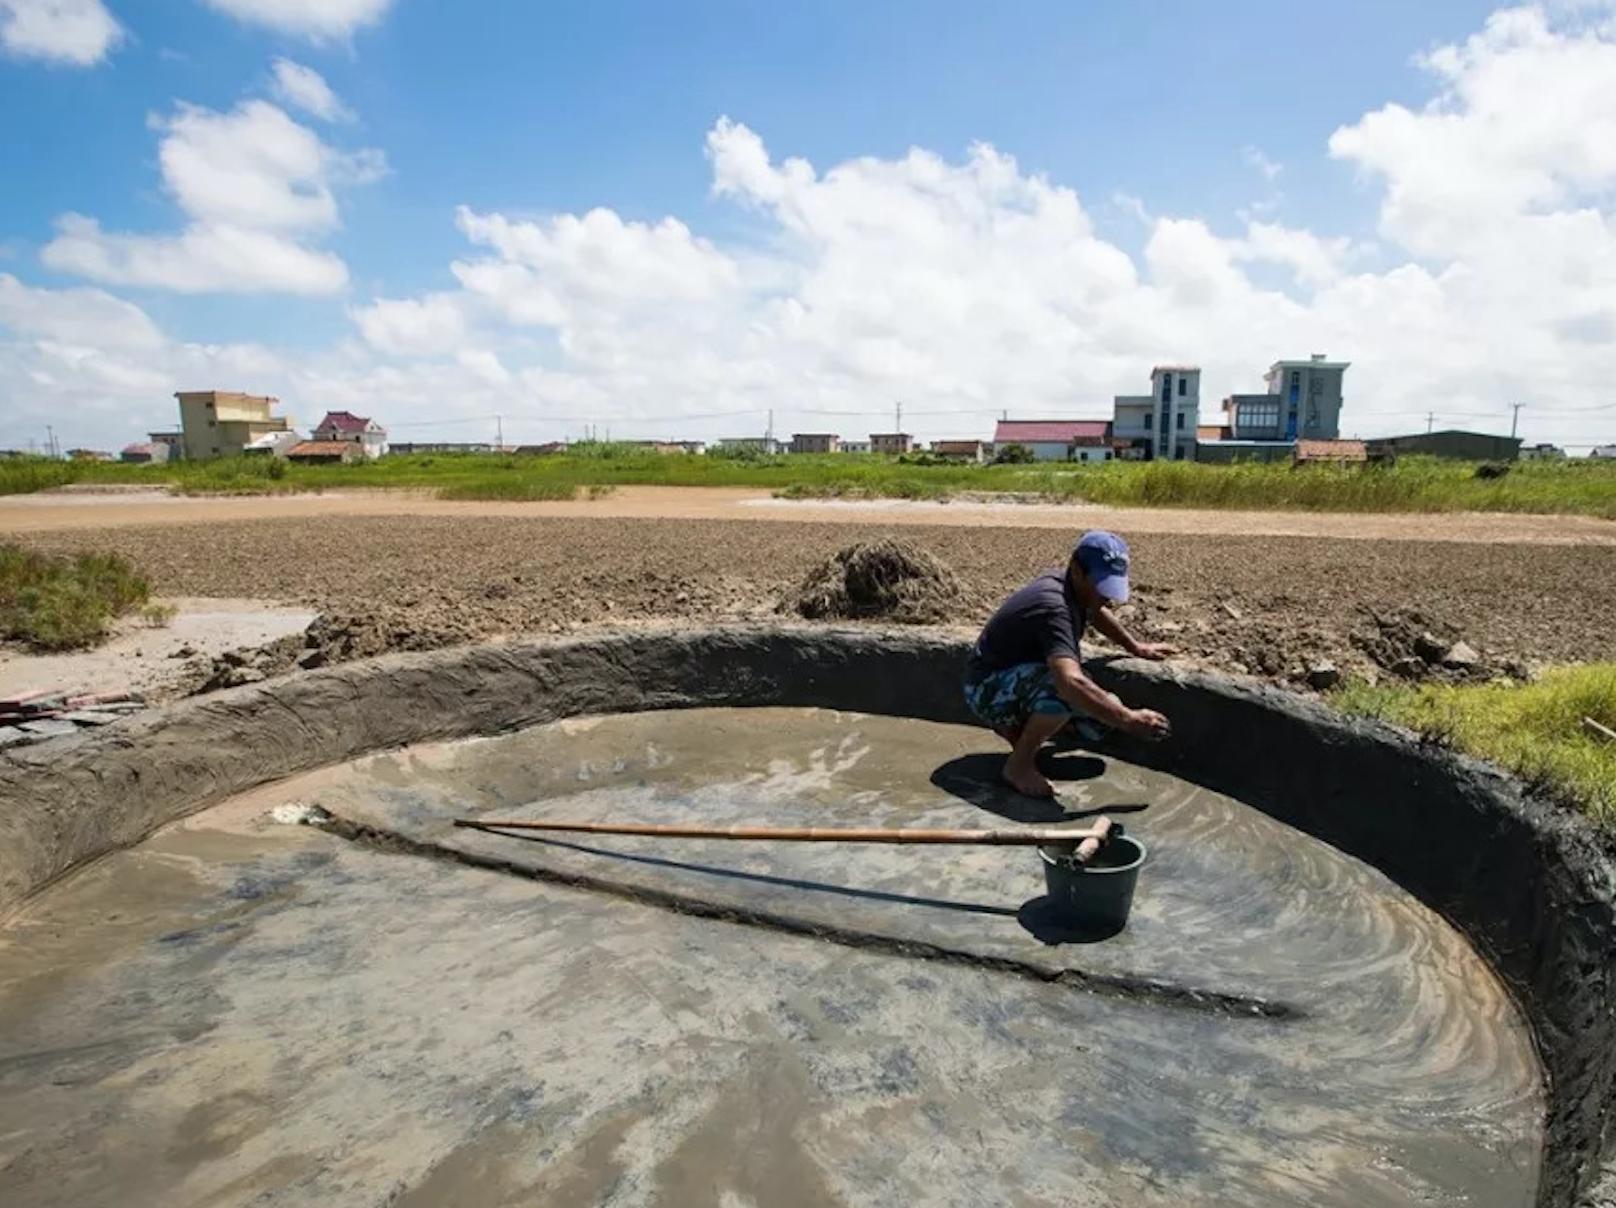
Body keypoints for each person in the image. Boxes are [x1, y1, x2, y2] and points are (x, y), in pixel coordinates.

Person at [964, 530, 1174, 797]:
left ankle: (1021, 730)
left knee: (1099, 719)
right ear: (1076, 570)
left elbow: (1095, 612)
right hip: (986, 687)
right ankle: (1018, 765)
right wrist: (1128, 719)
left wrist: (1134, 646)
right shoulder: (1055, 607)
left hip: (1018, 676)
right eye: (1101, 586)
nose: (1107, 596)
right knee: (1064, 691)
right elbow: (1069, 683)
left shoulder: (1075, 589)